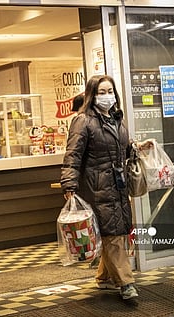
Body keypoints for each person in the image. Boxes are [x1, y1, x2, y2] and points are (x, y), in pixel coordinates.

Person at [60, 74, 152, 300]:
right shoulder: (83, 121)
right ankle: (126, 283)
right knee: (113, 234)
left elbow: (121, 148)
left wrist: (137, 147)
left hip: (117, 185)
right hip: (96, 186)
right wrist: (69, 184)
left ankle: (104, 278)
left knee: (115, 231)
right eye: (101, 92)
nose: (107, 96)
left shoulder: (115, 118)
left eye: (110, 91)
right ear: (92, 95)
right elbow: (73, 155)